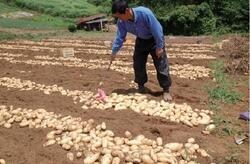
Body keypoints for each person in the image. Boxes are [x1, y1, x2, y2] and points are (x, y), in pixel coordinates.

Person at [109, 0, 172, 101]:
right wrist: (114, 52)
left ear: (127, 11)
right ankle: (141, 86)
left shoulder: (145, 13)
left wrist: (160, 47)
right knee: (138, 63)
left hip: (154, 40)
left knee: (161, 64)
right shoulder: (121, 22)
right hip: (141, 40)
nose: (119, 19)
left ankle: (166, 90)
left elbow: (157, 29)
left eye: (120, 16)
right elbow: (120, 37)